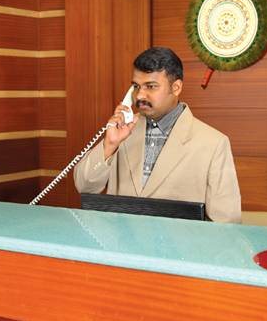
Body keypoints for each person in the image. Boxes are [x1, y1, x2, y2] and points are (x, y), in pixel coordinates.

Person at [73, 47, 242, 223]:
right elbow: (84, 187)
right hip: (121, 240)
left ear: (176, 88)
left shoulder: (213, 143)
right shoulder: (122, 131)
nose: (140, 95)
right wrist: (109, 145)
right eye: (136, 86)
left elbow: (226, 223)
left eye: (151, 86)